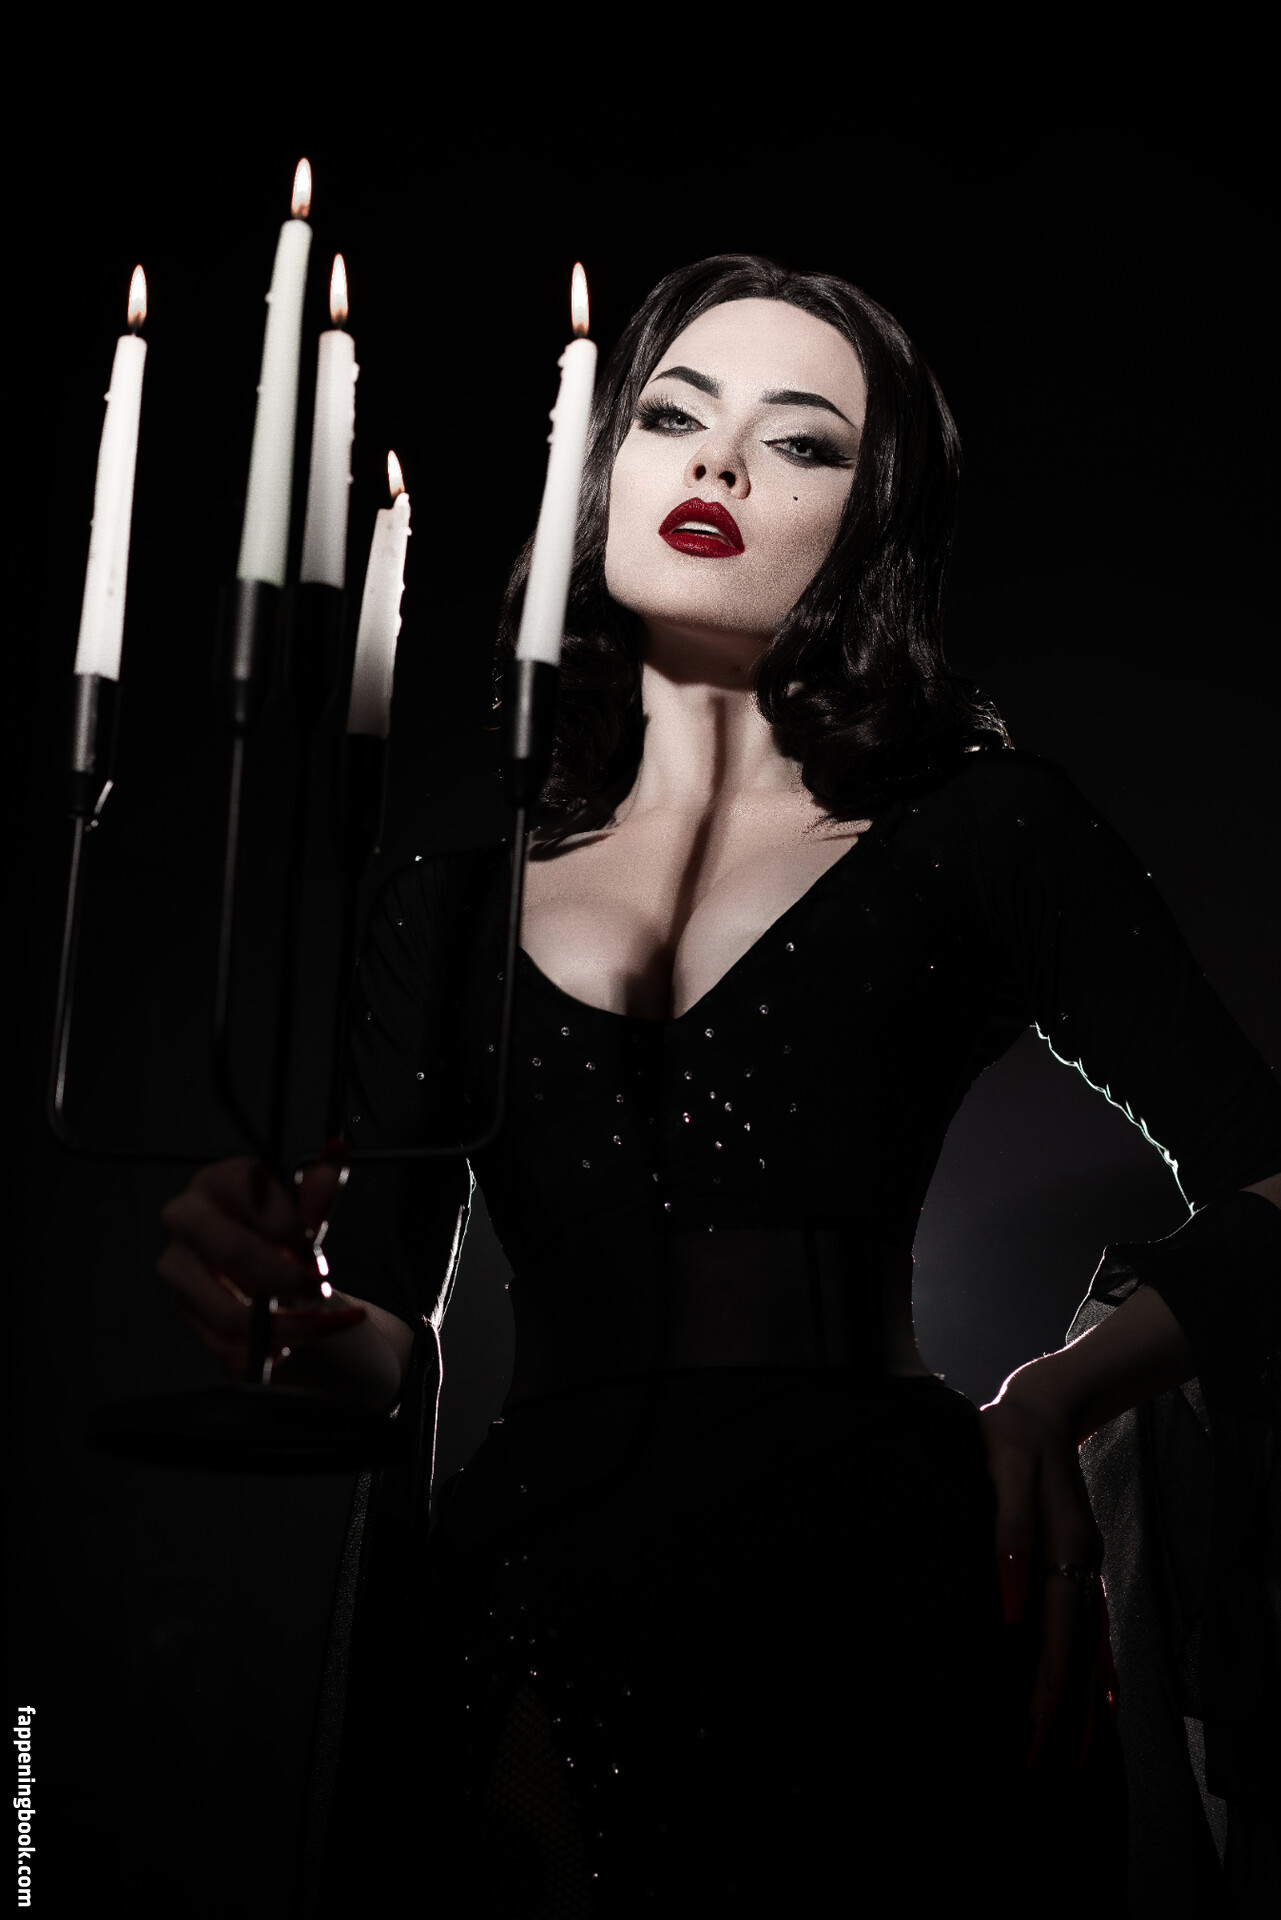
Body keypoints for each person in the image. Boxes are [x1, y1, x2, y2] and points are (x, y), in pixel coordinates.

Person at [156, 256, 1281, 1917]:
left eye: (800, 440)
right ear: (604, 462)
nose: (720, 464)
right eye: (673, 415)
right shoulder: (443, 909)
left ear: (870, 524)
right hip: (524, 1593)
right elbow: (386, 1345)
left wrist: (1059, 1394)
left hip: (875, 1590)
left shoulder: (981, 833)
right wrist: (279, 1307)